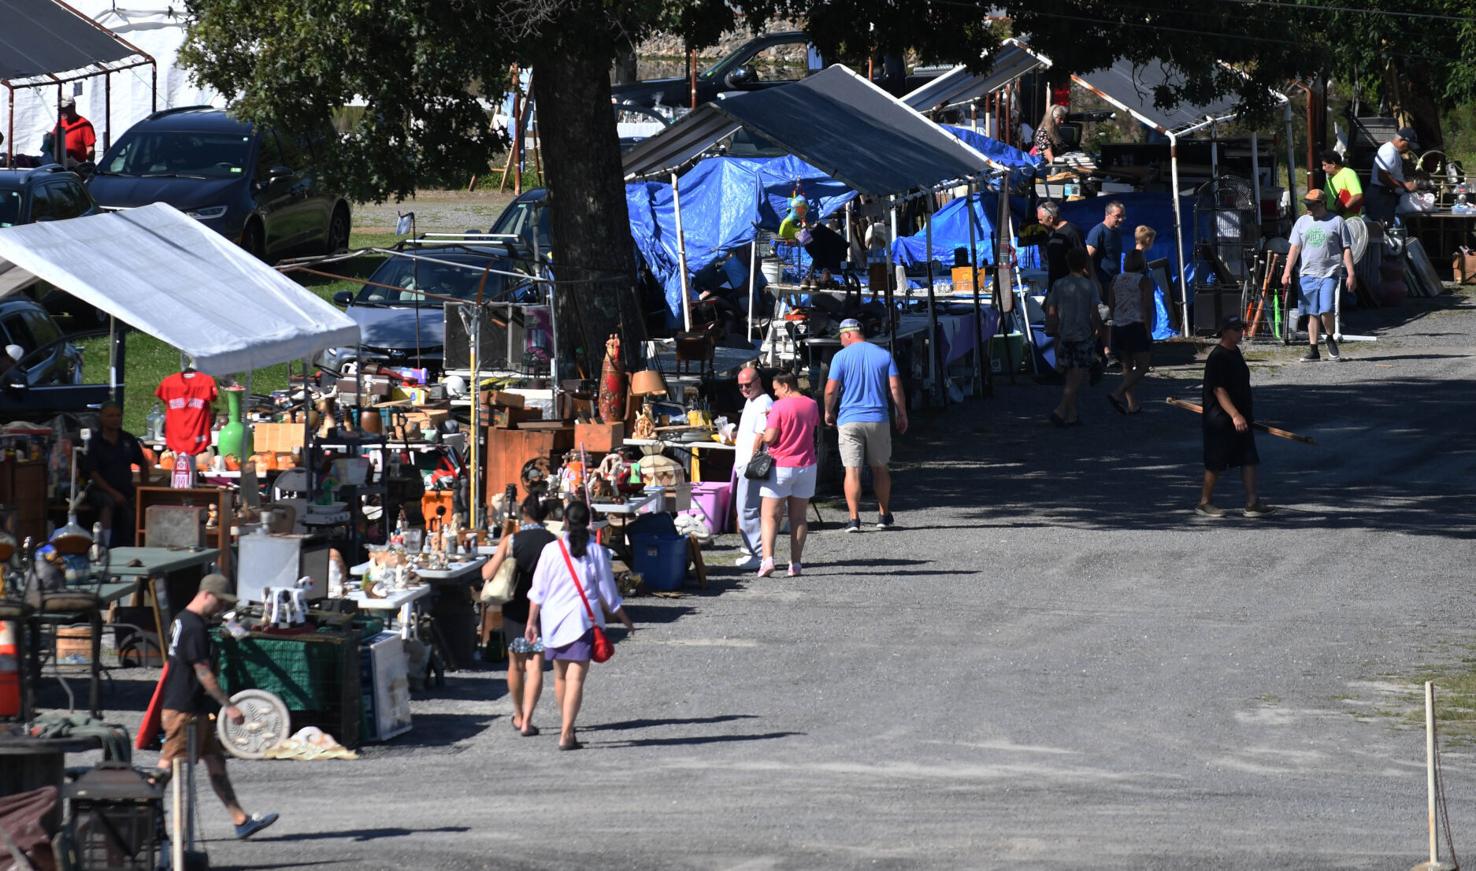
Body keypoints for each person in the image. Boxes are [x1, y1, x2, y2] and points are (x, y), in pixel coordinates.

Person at [155, 574, 279, 838]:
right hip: (183, 708)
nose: (222, 608)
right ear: (207, 594)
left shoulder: (182, 620)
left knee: (215, 761)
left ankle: (241, 820)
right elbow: (202, 672)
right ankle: (148, 817)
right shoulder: (192, 627)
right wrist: (229, 705)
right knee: (168, 766)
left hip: (194, 707)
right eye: (220, 602)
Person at [525, 501, 635, 751]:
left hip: (552, 621)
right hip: (582, 620)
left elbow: (537, 591)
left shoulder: (550, 550)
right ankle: (566, 733)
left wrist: (531, 623)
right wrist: (626, 621)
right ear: (589, 523)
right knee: (575, 679)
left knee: (561, 677)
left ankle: (569, 729)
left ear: (564, 519)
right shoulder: (595, 551)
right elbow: (609, 593)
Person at [481, 494, 557, 737]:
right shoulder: (553, 541)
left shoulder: (512, 540)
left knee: (515, 665)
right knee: (536, 665)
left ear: (524, 512)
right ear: (545, 515)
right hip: (542, 609)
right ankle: (529, 720)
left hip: (515, 609)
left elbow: (487, 573)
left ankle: (518, 714)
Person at [824, 318, 908, 532]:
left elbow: (831, 390)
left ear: (849, 334)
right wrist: (901, 413)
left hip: (849, 419)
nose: (841, 342)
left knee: (852, 470)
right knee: (880, 468)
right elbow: (895, 387)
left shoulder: (840, 357)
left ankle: (854, 519)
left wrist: (828, 411)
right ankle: (883, 514)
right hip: (877, 418)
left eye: (841, 337)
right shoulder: (883, 354)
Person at [1197, 316, 1273, 518]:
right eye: (1237, 329)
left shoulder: (1235, 352)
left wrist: (1242, 415)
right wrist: (1235, 414)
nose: (1241, 332)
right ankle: (1204, 502)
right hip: (1221, 418)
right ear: (1225, 331)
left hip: (1241, 417)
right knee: (1216, 461)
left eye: (1242, 328)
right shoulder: (1218, 357)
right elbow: (1219, 390)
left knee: (1248, 458)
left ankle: (1252, 502)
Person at [1282, 189, 1356, 363]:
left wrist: (1351, 273)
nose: (1307, 208)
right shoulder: (1301, 222)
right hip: (1307, 274)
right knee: (1311, 313)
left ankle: (1329, 337)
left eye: (1311, 205)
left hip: (1329, 273)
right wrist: (1287, 271)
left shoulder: (1337, 221)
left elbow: (1346, 248)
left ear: (1321, 204)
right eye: (1306, 204)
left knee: (1326, 309)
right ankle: (1313, 349)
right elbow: (1294, 248)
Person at [757, 372, 819, 577]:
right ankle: (796, 563)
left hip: (781, 465)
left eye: (776, 389)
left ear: (785, 386)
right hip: (807, 464)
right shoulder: (811, 404)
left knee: (769, 515)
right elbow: (809, 427)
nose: (775, 394)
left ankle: (768, 560)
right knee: (799, 517)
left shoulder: (779, 406)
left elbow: (771, 438)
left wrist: (769, 424)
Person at [1044, 247, 1103, 427]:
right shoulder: (1089, 285)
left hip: (1064, 334)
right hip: (1082, 334)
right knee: (1077, 377)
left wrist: (1052, 326)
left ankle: (1072, 415)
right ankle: (1061, 409)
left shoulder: (1059, 284)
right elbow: (1094, 312)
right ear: (1084, 264)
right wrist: (1098, 329)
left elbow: (1051, 309)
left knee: (1070, 375)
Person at [83, 402, 152, 548]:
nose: (115, 419)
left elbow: (143, 463)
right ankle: (103, 547)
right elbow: (93, 473)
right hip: (100, 490)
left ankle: (129, 547)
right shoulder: (95, 442)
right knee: (108, 502)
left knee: (130, 513)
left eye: (118, 415)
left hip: (125, 490)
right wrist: (113, 493)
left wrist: (144, 489)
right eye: (110, 416)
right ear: (101, 418)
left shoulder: (128, 439)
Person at [732, 365, 773, 568]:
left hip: (752, 464)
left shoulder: (764, 402)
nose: (744, 389)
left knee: (747, 508)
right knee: (746, 508)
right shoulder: (751, 401)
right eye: (740, 386)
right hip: (745, 462)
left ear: (758, 381)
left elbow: (762, 434)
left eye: (748, 385)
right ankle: (753, 551)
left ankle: (758, 554)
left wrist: (752, 460)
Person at [1106, 250, 1155, 415]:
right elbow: (1147, 306)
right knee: (1143, 366)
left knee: (1127, 367)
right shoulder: (1144, 281)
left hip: (1119, 326)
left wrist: (1116, 319)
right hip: (1136, 325)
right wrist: (1148, 329)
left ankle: (1132, 403)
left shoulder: (1115, 280)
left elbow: (1111, 305)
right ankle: (1117, 393)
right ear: (1142, 263)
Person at [1366, 127, 1419, 223]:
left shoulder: (1393, 152)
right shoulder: (1389, 152)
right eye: (1408, 145)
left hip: (1385, 195)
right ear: (1401, 140)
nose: (1408, 149)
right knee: (1382, 227)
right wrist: (1405, 185)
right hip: (1381, 196)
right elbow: (1383, 176)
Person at [1037, 199, 1084, 290]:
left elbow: (1084, 258)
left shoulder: (1072, 232)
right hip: (1055, 287)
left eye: (1041, 220)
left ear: (1050, 218)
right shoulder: (1051, 233)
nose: (1039, 223)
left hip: (1070, 288)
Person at [1085, 201, 1126, 296]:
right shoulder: (1098, 232)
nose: (1121, 219)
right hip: (1101, 284)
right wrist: (1095, 282)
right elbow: (1086, 259)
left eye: (1123, 216)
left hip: (1113, 283)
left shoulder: (1117, 232)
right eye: (1118, 216)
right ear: (1107, 214)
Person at [52, 97, 96, 167]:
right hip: (59, 166)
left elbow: (90, 149)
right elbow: (53, 139)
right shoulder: (60, 123)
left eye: (64, 108)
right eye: (60, 109)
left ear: (73, 107)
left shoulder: (84, 124)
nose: (61, 111)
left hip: (76, 168)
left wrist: (89, 157)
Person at [1322, 150, 1364, 218]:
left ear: (1333, 164)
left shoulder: (1348, 173)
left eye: (1325, 165)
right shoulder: (1330, 179)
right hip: (1332, 220)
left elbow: (1357, 195)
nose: (1323, 168)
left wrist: (1343, 209)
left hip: (1348, 221)